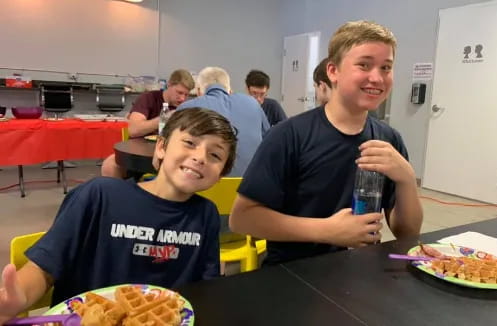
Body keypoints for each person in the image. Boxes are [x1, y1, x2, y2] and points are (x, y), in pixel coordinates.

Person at [0, 108, 238, 322]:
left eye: (215, 155)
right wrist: (19, 297)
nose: (200, 157)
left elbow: (205, 287)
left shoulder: (205, 214)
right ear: (161, 147)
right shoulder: (99, 196)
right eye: (189, 142)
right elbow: (44, 268)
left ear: (221, 174)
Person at [230, 21, 423, 266]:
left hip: (360, 273)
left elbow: (408, 233)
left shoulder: (389, 140)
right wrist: (326, 230)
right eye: (364, 65)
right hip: (295, 275)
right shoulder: (289, 135)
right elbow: (242, 218)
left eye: (386, 67)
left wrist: (406, 177)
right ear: (333, 71)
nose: (377, 77)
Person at [101, 69, 195, 178]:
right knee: (110, 165)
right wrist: (163, 119)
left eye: (186, 95)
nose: (182, 98)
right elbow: (134, 130)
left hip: (169, 155)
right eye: (179, 92)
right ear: (169, 85)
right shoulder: (148, 98)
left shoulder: (184, 107)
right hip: (141, 153)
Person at [177, 67, 270, 177]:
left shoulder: (187, 107)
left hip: (204, 186)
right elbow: (269, 141)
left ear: (198, 92)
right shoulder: (253, 104)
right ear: (229, 91)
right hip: (249, 186)